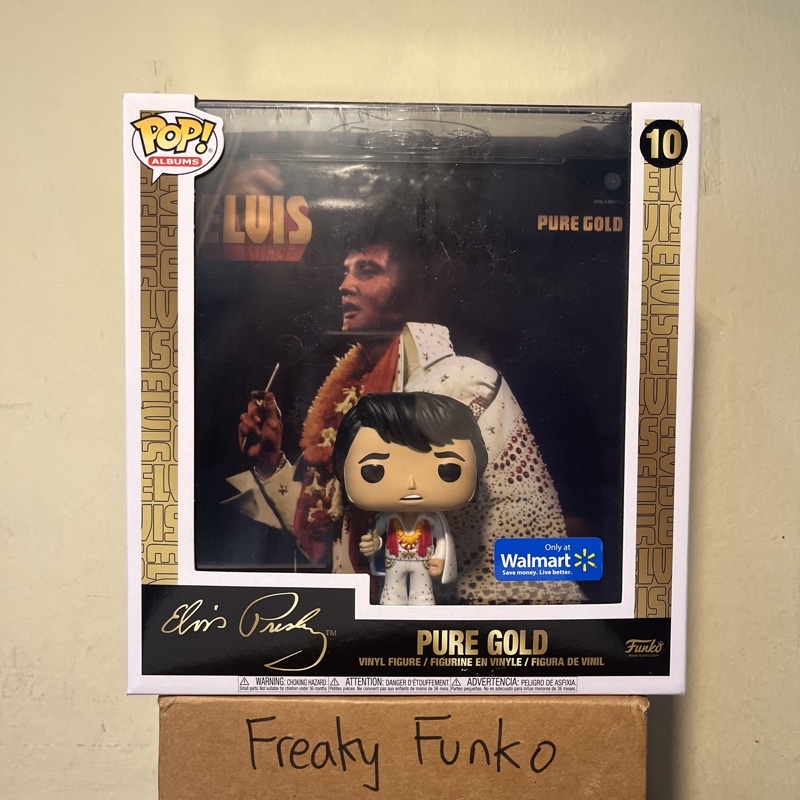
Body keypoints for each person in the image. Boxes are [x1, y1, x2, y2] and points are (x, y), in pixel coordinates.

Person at [225, 216, 583, 604]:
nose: (344, 285)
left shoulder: (464, 383)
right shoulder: (348, 391)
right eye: (346, 271)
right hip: (361, 619)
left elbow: (512, 532)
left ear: (417, 285)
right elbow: (329, 538)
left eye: (367, 271)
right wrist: (270, 462)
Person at [331, 392, 488, 606]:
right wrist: (375, 543)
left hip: (422, 561)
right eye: (374, 471)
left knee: (423, 595)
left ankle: (423, 610)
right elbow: (377, 535)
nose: (411, 484)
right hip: (393, 561)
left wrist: (440, 557)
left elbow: (442, 539)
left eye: (448, 470)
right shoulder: (386, 519)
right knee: (391, 593)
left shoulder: (433, 520)